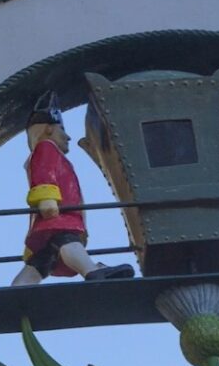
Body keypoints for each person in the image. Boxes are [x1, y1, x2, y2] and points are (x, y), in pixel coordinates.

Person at [10, 94, 134, 287]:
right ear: (49, 128)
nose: (67, 136)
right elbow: (44, 172)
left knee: (42, 261)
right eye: (63, 129)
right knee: (66, 240)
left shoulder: (52, 151)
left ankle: (20, 286)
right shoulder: (46, 148)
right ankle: (91, 270)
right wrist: (47, 199)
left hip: (58, 216)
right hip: (59, 216)